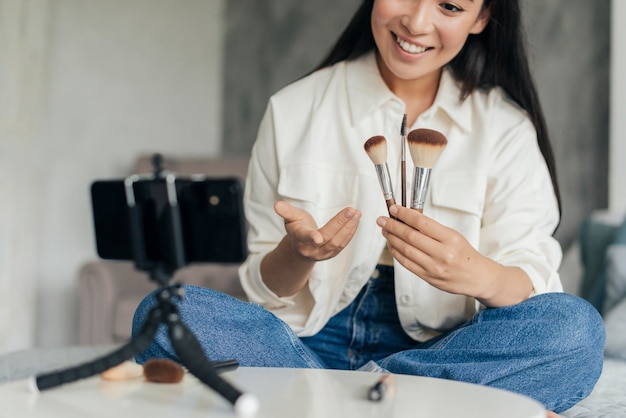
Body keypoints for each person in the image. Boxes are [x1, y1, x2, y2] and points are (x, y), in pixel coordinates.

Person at [133, 0, 605, 414]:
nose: (417, 23)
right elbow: (263, 288)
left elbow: (534, 276)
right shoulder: (295, 108)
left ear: (482, 17)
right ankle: (388, 404)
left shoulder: (505, 128)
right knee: (162, 312)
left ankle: (327, 402)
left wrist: (477, 273)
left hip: (444, 348)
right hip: (302, 344)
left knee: (576, 331)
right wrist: (296, 255)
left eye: (450, 6)